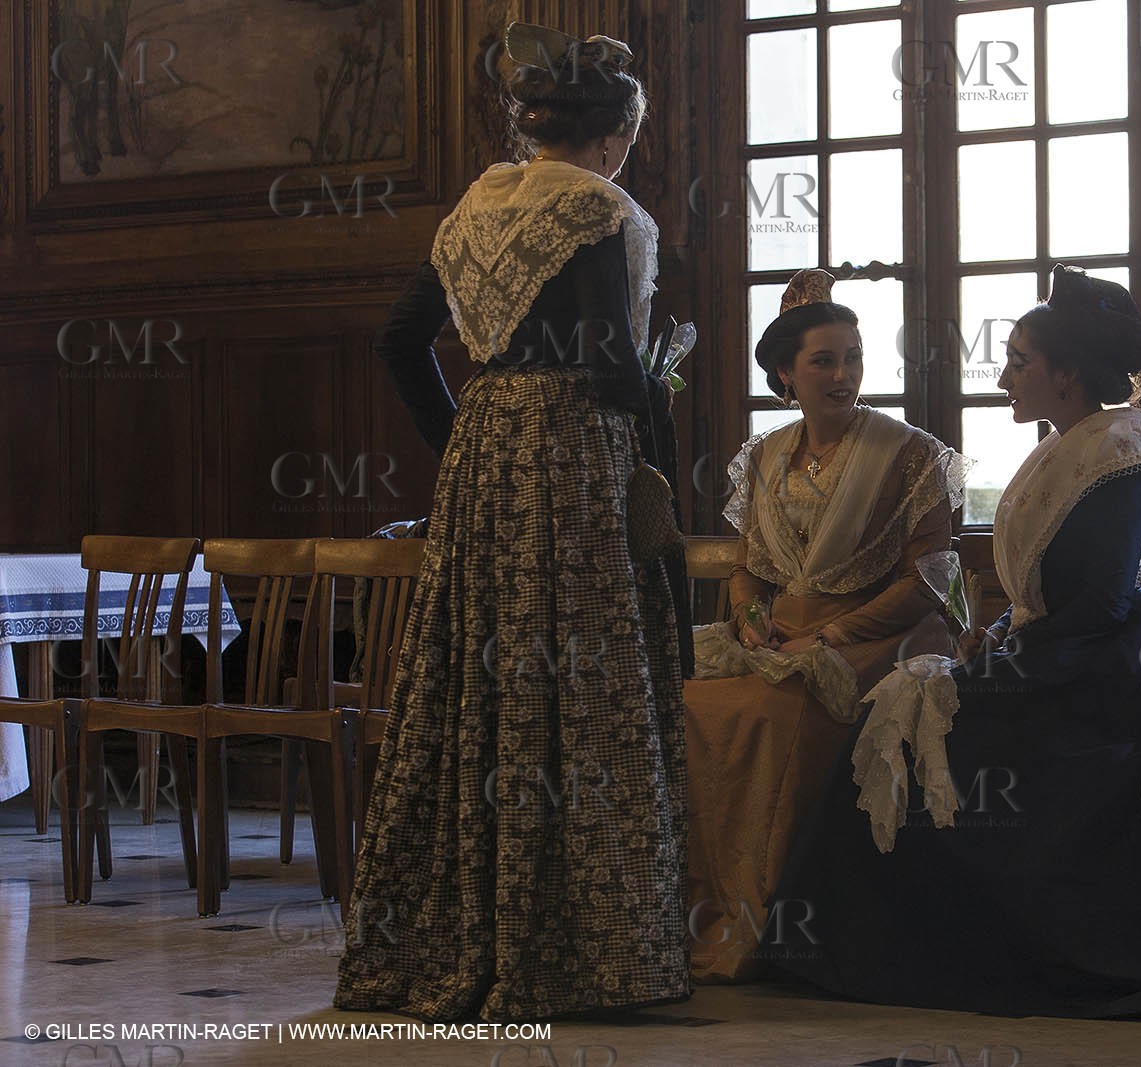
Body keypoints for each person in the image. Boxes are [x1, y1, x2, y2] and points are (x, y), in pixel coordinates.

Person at [772, 265, 1141, 1020]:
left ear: (1067, 374)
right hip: (1060, 651)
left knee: (930, 723)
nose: (1003, 376)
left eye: (1019, 362)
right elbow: (1045, 595)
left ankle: (973, 953)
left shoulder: (1117, 457)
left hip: (1111, 673)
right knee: (900, 710)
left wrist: (1005, 660)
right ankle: (865, 946)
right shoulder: (1067, 445)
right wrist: (995, 633)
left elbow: (1099, 604)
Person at [334, 25, 689, 1021]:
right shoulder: (596, 206)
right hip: (574, 458)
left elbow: (400, 340)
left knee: (473, 690)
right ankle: (585, 949)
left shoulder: (476, 206)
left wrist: (463, 442)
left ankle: (452, 934)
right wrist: (663, 388)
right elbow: (613, 367)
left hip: (485, 464)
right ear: (617, 132)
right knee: (588, 683)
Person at [684, 268, 969, 982]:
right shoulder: (765, 458)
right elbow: (748, 567)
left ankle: (762, 928)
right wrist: (752, 622)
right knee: (688, 702)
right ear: (786, 371)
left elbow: (928, 580)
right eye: (824, 360)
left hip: (883, 635)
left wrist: (828, 638)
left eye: (854, 357)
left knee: (777, 711)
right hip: (780, 635)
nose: (844, 375)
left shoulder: (911, 454)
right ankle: (689, 914)